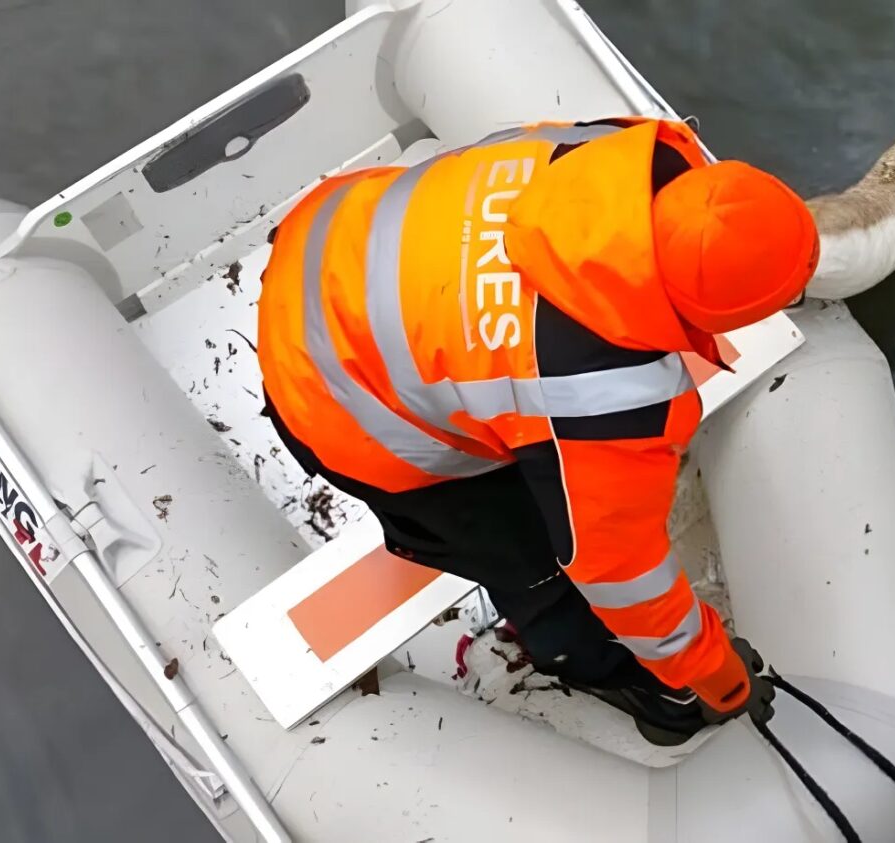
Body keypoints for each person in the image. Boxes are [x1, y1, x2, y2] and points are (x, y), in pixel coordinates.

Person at [255, 116, 816, 746]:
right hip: (332, 395)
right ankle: (606, 672)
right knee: (534, 562)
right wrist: (716, 677)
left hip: (332, 241)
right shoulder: (602, 390)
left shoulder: (602, 151)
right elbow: (615, 570)